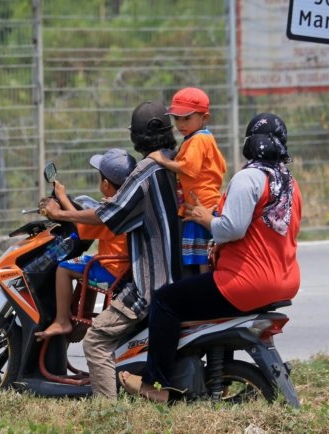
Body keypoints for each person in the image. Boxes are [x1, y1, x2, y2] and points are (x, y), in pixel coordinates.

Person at [118, 113, 302, 403]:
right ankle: (219, 380)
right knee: (212, 309)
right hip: (285, 281)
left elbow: (231, 229)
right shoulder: (288, 182)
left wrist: (206, 218)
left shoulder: (250, 177)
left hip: (245, 281)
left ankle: (156, 385)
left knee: (166, 301)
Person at [39, 101, 182, 398]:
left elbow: (107, 215)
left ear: (136, 137)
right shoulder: (174, 164)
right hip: (177, 279)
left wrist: (59, 214)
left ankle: (107, 413)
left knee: (95, 341)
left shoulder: (146, 172)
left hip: (149, 287)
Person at [34, 148, 136, 341]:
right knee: (87, 264)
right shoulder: (124, 204)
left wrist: (62, 198)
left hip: (111, 271)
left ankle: (62, 320)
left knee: (64, 268)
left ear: (105, 184)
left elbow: (81, 226)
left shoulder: (109, 213)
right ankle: (82, 321)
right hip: (121, 268)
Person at [149, 87, 226, 275]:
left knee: (202, 261)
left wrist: (162, 160)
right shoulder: (203, 138)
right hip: (205, 204)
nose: (180, 124)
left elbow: (188, 168)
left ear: (204, 118)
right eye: (177, 118)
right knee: (206, 256)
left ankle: (202, 294)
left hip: (201, 206)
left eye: (187, 118)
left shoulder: (197, 140)